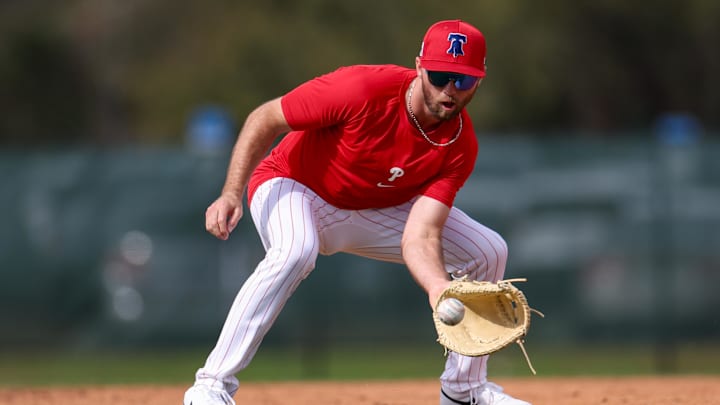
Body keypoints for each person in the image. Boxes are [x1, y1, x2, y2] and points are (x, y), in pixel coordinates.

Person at [183, 19, 531, 405]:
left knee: (488, 251)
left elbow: (422, 234)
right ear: (419, 66)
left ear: (478, 82)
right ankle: (212, 384)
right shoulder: (362, 90)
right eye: (440, 75)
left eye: (462, 80)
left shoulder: (459, 143)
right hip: (295, 185)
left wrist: (438, 288)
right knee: (296, 250)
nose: (450, 89)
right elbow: (265, 118)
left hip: (371, 209)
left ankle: (462, 391)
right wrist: (231, 192)